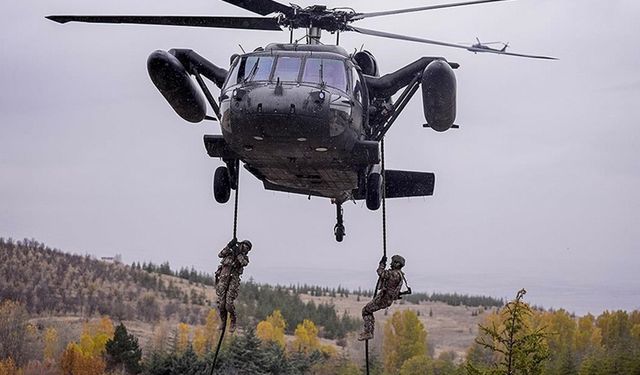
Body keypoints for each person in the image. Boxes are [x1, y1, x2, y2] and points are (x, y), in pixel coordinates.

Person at [358, 254, 411, 341]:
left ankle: (368, 332)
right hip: (385, 298)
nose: (391, 264)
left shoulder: (394, 274)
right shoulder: (400, 275)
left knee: (366, 311)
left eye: (393, 262)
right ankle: (368, 331)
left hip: (383, 299)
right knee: (368, 310)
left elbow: (380, 272)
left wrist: (382, 263)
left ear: (398, 264)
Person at [214, 238, 252, 333]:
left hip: (233, 280)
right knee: (221, 303)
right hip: (223, 277)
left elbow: (243, 263)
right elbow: (220, 254)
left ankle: (233, 319)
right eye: (244, 246)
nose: (245, 249)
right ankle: (223, 321)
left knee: (229, 304)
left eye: (247, 248)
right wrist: (229, 246)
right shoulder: (230, 251)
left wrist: (238, 254)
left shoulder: (244, 258)